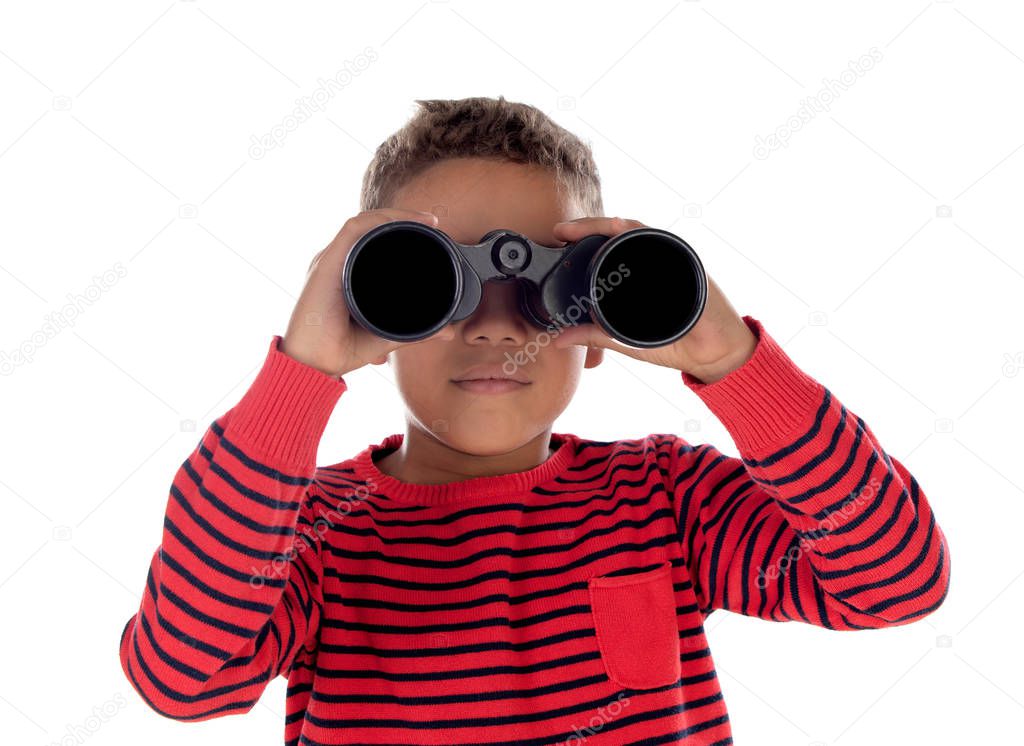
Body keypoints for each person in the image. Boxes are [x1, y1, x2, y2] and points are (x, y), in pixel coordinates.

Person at [118, 95, 950, 744]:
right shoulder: (306, 531)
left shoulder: (664, 496)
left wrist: (729, 359)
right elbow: (184, 679)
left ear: (595, 328)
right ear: (374, 314)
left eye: (545, 289)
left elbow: (896, 581)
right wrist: (297, 376)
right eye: (437, 283)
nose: (493, 324)